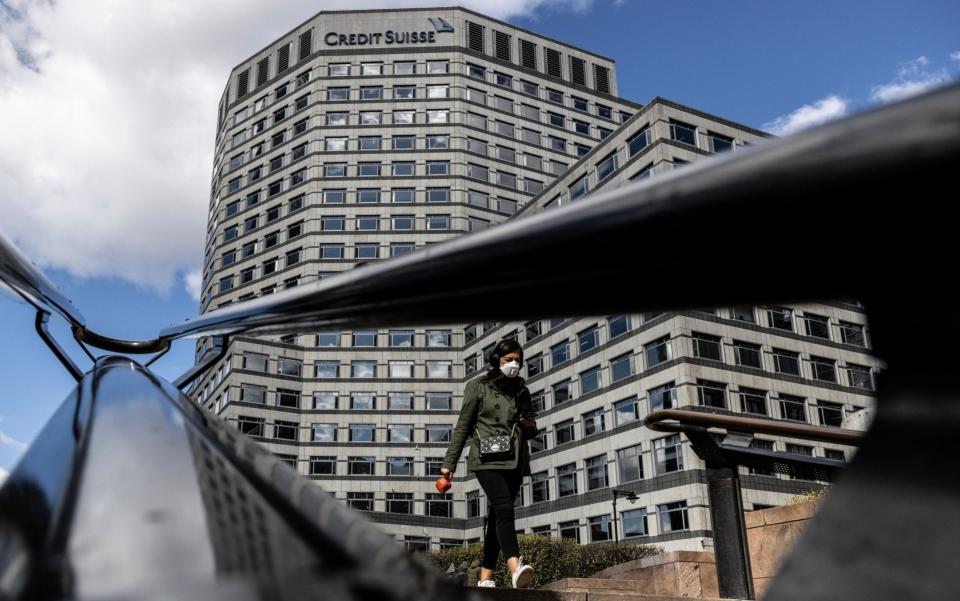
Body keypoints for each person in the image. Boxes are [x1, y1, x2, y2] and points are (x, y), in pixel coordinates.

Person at [440, 339, 538, 589]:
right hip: (486, 459)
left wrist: (529, 426)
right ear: (497, 361)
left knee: (497, 516)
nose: (514, 365)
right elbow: (463, 425)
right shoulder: (478, 386)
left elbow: (530, 430)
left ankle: (485, 578)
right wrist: (448, 464)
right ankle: (516, 568)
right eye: (508, 360)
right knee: (505, 509)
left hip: (514, 460)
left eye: (517, 360)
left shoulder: (521, 390)